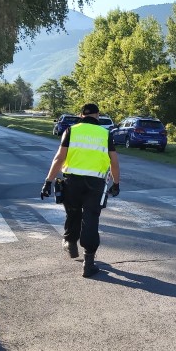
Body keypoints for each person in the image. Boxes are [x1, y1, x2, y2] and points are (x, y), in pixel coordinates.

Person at [41, 103, 120, 277]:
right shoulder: (105, 134)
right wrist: (116, 183)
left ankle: (70, 243)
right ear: (97, 115)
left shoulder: (71, 131)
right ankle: (89, 262)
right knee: (91, 218)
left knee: (73, 212)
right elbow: (114, 161)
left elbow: (59, 158)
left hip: (72, 182)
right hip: (96, 184)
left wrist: (48, 181)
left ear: (81, 115)